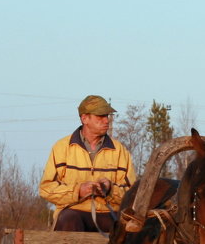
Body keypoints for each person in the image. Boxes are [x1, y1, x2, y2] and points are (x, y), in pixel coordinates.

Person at [39, 95, 137, 232]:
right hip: (73, 212)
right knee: (69, 220)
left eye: (107, 116)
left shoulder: (119, 150)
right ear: (84, 118)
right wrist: (78, 191)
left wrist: (110, 190)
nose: (106, 121)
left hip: (109, 214)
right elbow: (46, 189)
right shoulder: (62, 148)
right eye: (100, 116)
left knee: (127, 230)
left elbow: (133, 194)